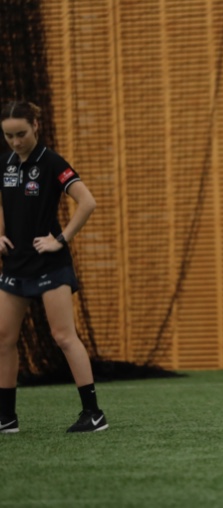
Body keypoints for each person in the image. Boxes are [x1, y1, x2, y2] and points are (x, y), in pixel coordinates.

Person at [0, 101, 108, 433]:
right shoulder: (5, 163)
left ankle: (93, 413)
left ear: (36, 125)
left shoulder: (52, 162)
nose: (16, 142)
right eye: (9, 136)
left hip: (50, 263)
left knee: (63, 336)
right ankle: (6, 418)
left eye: (22, 134)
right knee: (4, 338)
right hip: (16, 263)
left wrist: (60, 239)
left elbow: (87, 201)